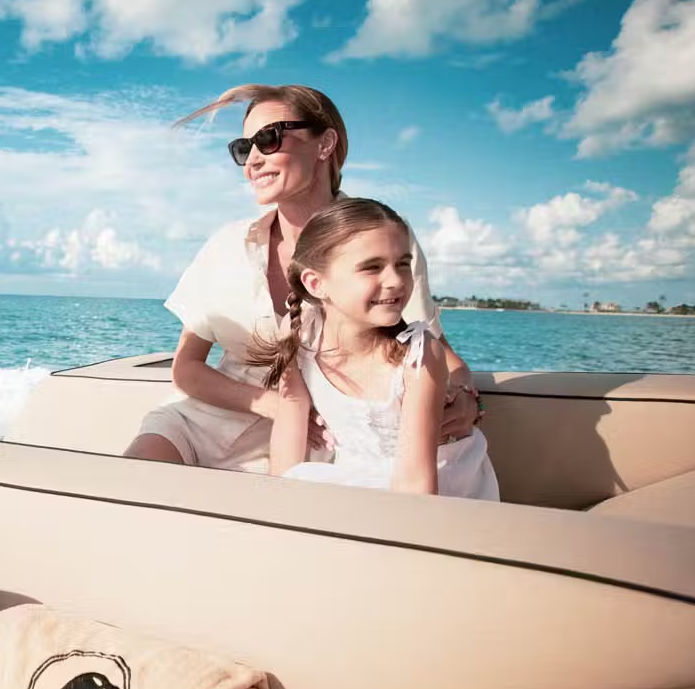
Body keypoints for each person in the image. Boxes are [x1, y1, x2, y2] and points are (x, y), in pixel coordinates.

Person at [123, 84, 483, 474]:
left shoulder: (380, 239)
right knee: (132, 478)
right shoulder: (225, 245)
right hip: (206, 421)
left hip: (323, 440)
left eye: (269, 139)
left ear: (325, 143)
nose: (252, 161)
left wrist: (465, 397)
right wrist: (273, 405)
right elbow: (186, 368)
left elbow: (438, 354)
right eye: (244, 148)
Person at [249, 198, 499, 499]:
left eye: (403, 264)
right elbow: (286, 452)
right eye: (372, 267)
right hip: (357, 476)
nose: (395, 280)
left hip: (436, 488)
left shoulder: (419, 356)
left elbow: (416, 487)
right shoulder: (299, 337)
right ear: (316, 284)